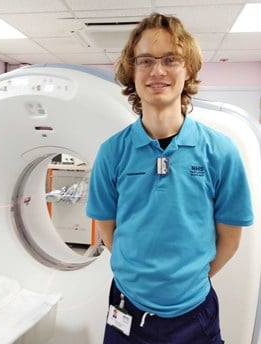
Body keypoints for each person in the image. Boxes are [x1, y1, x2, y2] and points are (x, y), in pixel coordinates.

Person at [86, 12, 253, 344]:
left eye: (170, 59)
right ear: (132, 72)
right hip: (126, 309)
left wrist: (184, 282)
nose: (157, 71)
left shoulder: (220, 151)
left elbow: (230, 240)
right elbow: (108, 232)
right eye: (145, 60)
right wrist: (141, 277)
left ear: (187, 68)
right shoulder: (112, 152)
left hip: (195, 315)